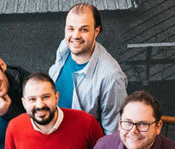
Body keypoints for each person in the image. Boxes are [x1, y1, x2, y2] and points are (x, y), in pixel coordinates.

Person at [49, 3, 127, 134]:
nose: (75, 36)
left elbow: (113, 135)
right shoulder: (65, 47)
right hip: (54, 136)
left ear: (96, 31)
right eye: (71, 29)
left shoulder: (111, 77)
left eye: (84, 29)